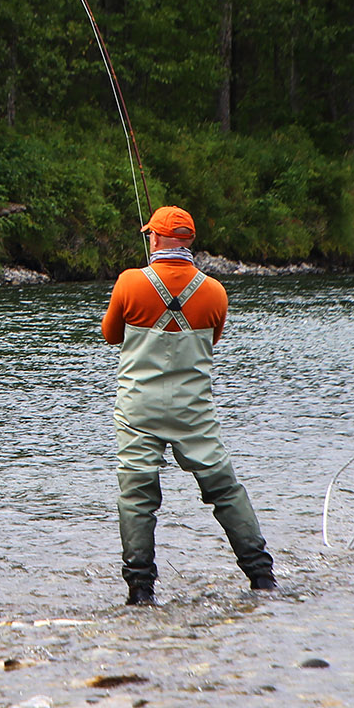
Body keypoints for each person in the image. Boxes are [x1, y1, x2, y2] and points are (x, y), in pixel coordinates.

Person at [100, 205, 275, 605]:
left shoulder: (129, 282)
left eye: (150, 236)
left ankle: (141, 590)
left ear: (157, 239)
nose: (150, 240)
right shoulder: (215, 291)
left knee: (136, 495)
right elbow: (211, 340)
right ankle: (262, 576)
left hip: (139, 408)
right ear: (189, 242)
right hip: (194, 411)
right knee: (225, 489)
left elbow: (111, 335)